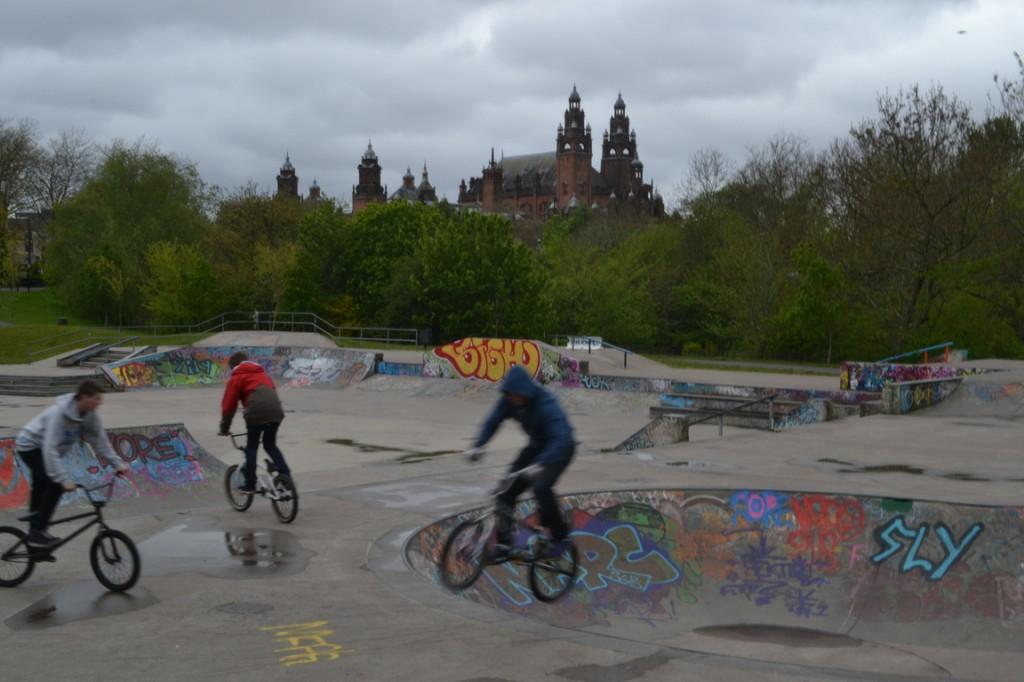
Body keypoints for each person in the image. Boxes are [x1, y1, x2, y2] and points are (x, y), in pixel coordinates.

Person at [463, 365, 575, 553]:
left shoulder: (547, 406)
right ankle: (504, 543)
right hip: (536, 448)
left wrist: (541, 464)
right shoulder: (509, 400)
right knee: (506, 491)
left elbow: (562, 437)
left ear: (525, 391)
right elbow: (492, 422)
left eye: (516, 395)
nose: (513, 400)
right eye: (510, 395)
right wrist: (478, 445)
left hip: (560, 449)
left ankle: (559, 536)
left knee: (541, 487)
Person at [14, 379, 130, 547]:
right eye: (96, 398)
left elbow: (100, 441)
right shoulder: (59, 415)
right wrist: (63, 479)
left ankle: (35, 524)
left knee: (42, 483)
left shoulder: (90, 416)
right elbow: (49, 449)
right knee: (54, 484)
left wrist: (117, 464)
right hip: (30, 446)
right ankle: (37, 531)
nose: (100, 402)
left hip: (46, 450)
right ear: (83, 397)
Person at [218, 351, 291, 493]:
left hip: (256, 412)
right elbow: (273, 393)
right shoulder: (262, 374)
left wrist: (224, 428)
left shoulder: (236, 377)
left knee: (251, 448)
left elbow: (228, 406)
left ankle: (250, 484)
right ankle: (286, 476)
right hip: (276, 412)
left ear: (234, 366)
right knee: (270, 445)